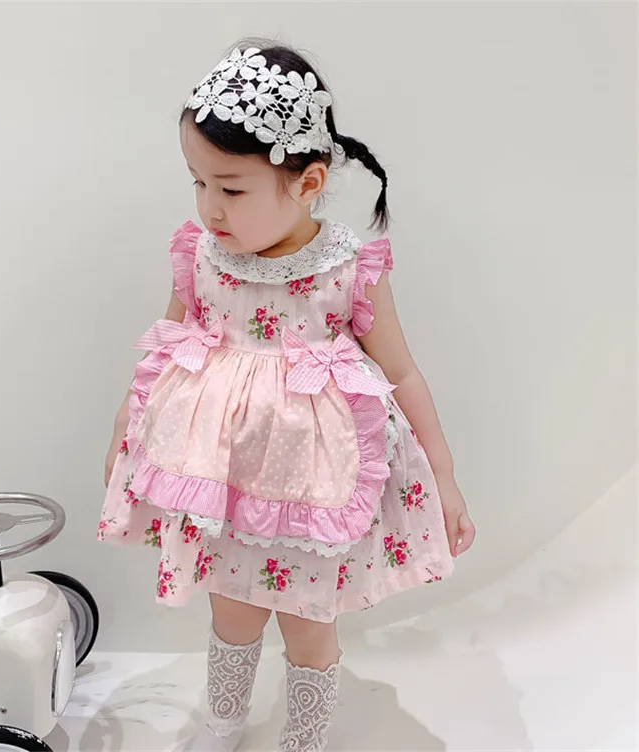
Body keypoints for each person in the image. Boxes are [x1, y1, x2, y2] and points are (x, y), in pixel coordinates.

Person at [98, 39, 476, 752]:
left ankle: (303, 739)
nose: (211, 208)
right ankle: (224, 721)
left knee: (308, 622)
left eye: (232, 189)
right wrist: (126, 425)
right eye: (198, 183)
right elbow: (166, 349)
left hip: (313, 488)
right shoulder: (201, 257)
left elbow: (402, 372)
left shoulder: (347, 270)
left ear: (308, 182)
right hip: (222, 479)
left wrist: (445, 475)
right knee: (232, 611)